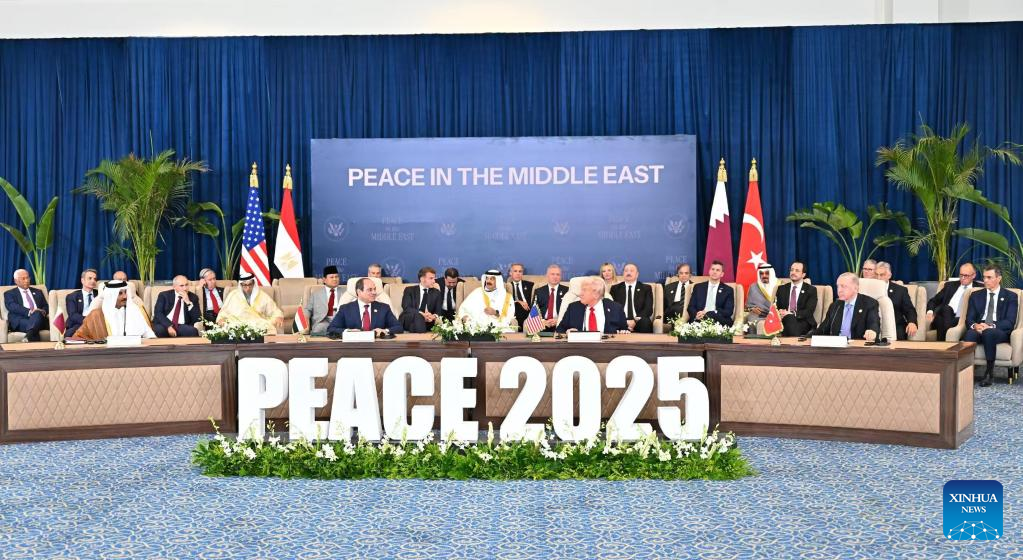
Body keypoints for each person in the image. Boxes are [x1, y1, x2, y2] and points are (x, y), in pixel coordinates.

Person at [962, 264, 1019, 387]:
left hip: (998, 330)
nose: (985, 280)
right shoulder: (975, 295)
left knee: (989, 333)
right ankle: (966, 372)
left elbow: (1010, 322)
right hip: (980, 327)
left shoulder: (1010, 296)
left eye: (989, 277)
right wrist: (975, 326)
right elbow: (969, 318)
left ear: (999, 278)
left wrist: (990, 326)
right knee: (970, 333)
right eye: (984, 277)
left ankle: (989, 372)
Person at [72, 281, 156, 340]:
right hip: (106, 355)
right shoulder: (96, 316)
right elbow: (78, 337)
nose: (125, 296)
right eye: (120, 293)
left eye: (125, 292)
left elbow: (149, 334)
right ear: (111, 296)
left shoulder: (135, 311)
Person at [927, 263, 982, 341]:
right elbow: (933, 301)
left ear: (973, 275)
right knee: (947, 309)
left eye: (966, 275)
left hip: (963, 319)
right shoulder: (949, 286)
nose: (962, 278)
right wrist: (930, 312)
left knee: (940, 321)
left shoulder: (979, 288)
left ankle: (942, 345)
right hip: (946, 314)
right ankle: (949, 342)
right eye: (961, 275)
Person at [816, 272, 879, 341]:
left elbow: (873, 324)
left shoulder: (869, 303)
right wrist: (808, 337)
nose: (839, 290)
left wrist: (872, 332)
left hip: (857, 345)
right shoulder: (835, 305)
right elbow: (823, 329)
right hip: (836, 345)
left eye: (843, 286)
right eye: (838, 286)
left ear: (856, 288)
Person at [327, 277, 402, 335]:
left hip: (377, 345)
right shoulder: (345, 309)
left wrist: (384, 331)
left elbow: (398, 327)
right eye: (370, 290)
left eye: (374, 289)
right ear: (359, 292)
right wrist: (348, 331)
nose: (374, 292)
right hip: (353, 346)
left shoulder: (384, 308)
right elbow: (331, 329)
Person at [217, 272, 283, 334]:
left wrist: (278, 317)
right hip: (237, 326)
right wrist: (221, 319)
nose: (248, 288)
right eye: (245, 285)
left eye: (250, 284)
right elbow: (224, 312)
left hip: (258, 326)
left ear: (254, 283)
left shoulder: (262, 295)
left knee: (268, 326)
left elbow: (274, 310)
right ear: (241, 285)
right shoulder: (233, 295)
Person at [556, 277, 629, 334]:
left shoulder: (615, 308)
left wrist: (624, 332)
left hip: (607, 348)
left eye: (584, 290)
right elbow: (559, 330)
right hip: (579, 347)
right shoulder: (573, 308)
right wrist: (567, 332)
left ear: (596, 294)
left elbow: (624, 330)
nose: (580, 293)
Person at [875, 261, 918, 340]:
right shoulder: (869, 289)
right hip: (874, 325)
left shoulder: (900, 290)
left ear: (889, 275)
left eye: (882, 275)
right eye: (876, 275)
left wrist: (912, 322)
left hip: (895, 325)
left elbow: (909, 309)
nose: (878, 278)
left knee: (900, 334)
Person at [4, 269, 48, 342]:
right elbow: (12, 306)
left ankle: (28, 337)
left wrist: (43, 311)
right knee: (34, 325)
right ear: (16, 281)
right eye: (23, 278)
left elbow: (46, 306)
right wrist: (29, 312)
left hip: (39, 318)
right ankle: (31, 336)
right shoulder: (9, 293)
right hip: (20, 320)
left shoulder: (38, 291)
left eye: (28, 278)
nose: (27, 280)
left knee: (37, 313)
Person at [775, 261, 817, 336]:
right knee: (787, 320)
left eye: (797, 270)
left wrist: (792, 314)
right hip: (784, 320)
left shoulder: (811, 290)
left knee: (789, 319)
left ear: (803, 275)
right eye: (792, 270)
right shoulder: (782, 289)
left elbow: (809, 311)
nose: (793, 272)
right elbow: (777, 307)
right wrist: (780, 312)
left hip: (803, 321)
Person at [687, 261, 734, 326]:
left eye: (717, 270)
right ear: (709, 271)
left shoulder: (728, 290)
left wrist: (709, 313)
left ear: (722, 274)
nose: (714, 272)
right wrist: (696, 314)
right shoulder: (698, 287)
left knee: (710, 315)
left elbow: (728, 311)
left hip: (718, 320)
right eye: (713, 269)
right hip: (699, 319)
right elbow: (691, 307)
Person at [610, 263, 654, 333]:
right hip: (621, 320)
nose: (628, 273)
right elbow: (612, 307)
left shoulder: (646, 288)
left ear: (637, 274)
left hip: (638, 320)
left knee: (645, 322)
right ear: (623, 274)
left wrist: (635, 320)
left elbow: (648, 309)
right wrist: (624, 321)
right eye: (626, 271)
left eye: (631, 271)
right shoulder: (615, 288)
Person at [399, 266, 441, 333]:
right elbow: (406, 307)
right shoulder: (409, 290)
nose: (434, 281)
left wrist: (433, 316)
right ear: (422, 279)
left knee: (420, 322)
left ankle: (416, 331)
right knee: (418, 316)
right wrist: (422, 314)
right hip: (410, 318)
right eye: (431, 278)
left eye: (434, 278)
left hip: (427, 321)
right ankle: (420, 330)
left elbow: (438, 311)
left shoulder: (436, 292)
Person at [303, 265, 343, 336]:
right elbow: (308, 309)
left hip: (339, 319)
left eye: (336, 277)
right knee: (318, 329)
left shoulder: (346, 292)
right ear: (324, 280)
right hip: (323, 320)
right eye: (332, 277)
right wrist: (305, 319)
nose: (335, 279)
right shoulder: (316, 294)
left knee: (344, 330)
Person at [532, 265, 569, 332]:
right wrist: (543, 321)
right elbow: (534, 310)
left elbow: (570, 311)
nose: (555, 277)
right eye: (552, 274)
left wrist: (558, 320)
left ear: (561, 277)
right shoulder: (539, 291)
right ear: (547, 276)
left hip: (560, 323)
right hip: (543, 323)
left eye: (558, 274)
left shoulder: (567, 291)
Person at [64, 268, 99, 339]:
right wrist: (88, 321)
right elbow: (73, 315)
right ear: (82, 280)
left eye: (95, 279)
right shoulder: (72, 296)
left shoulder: (100, 295)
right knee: (70, 334)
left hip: (97, 324)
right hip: (79, 323)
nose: (93, 281)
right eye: (90, 278)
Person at [744, 263, 778, 328]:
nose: (764, 276)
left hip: (776, 314)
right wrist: (752, 309)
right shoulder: (753, 287)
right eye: (761, 273)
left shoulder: (780, 285)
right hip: (760, 315)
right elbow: (748, 306)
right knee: (751, 317)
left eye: (767, 273)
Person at [507, 263, 534, 331]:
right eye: (515, 271)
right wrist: (518, 301)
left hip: (528, 311)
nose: (518, 273)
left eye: (520, 271)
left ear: (522, 273)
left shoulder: (530, 285)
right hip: (514, 312)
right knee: (517, 305)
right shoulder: (507, 287)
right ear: (510, 273)